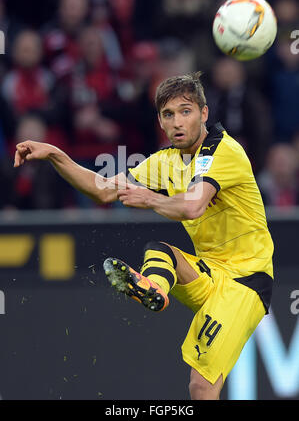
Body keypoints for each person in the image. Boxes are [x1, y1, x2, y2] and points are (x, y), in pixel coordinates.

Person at [13, 72, 274, 400]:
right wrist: (55, 155)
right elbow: (104, 191)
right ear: (160, 122)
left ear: (204, 113)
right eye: (168, 114)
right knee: (160, 250)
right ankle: (154, 288)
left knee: (201, 386)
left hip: (246, 280)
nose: (177, 122)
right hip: (211, 271)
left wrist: (149, 199)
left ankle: (154, 288)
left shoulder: (223, 152)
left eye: (186, 111)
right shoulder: (166, 161)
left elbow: (193, 206)